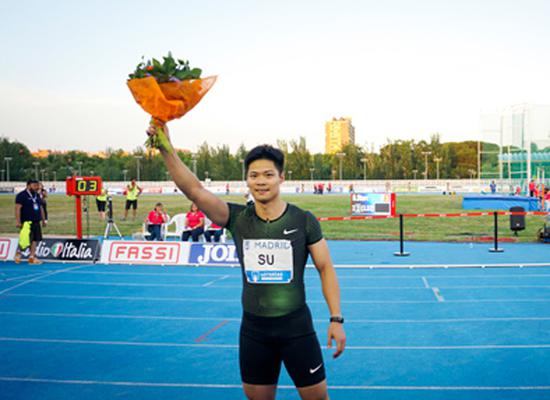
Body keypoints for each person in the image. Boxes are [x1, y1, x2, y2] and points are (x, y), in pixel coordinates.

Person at [148, 123, 345, 400]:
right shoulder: (238, 219)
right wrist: (166, 148)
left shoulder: (303, 220)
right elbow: (193, 190)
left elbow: (326, 268)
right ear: (247, 180)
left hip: (296, 329)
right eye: (254, 175)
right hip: (254, 331)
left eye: (268, 174)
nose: (261, 181)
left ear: (281, 178)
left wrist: (336, 318)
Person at [14, 179, 47, 264]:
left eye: (37, 185)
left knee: (35, 240)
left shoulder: (37, 195)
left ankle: (32, 257)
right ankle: (18, 253)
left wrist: (43, 220)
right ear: (28, 185)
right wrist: (18, 221)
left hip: (36, 221)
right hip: (26, 222)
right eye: (34, 185)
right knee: (25, 240)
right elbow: (18, 208)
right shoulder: (21, 195)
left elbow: (41, 208)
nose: (36, 187)